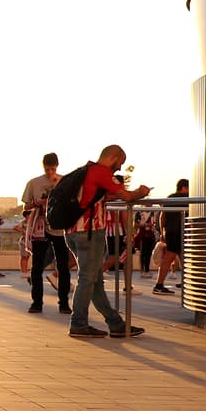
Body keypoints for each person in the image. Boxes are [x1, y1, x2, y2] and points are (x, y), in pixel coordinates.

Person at [64, 145, 151, 338]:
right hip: (90, 232)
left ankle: (115, 323)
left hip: (72, 231)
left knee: (95, 281)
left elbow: (96, 197)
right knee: (87, 279)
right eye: (120, 163)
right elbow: (127, 196)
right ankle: (78, 323)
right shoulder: (101, 172)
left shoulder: (85, 171)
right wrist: (141, 192)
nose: (119, 168)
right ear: (113, 157)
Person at [21, 153, 72, 314]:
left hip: (59, 228)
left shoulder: (64, 181)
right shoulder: (34, 183)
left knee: (63, 266)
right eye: (47, 169)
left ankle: (64, 303)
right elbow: (25, 207)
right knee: (37, 266)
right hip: (40, 228)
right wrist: (38, 202)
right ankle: (37, 302)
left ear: (57, 166)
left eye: (53, 169)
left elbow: (71, 203)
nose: (50, 172)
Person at [154, 179, 188, 294]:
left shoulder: (170, 198)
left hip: (170, 231)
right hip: (178, 232)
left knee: (182, 256)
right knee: (169, 257)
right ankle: (159, 285)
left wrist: (162, 231)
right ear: (183, 188)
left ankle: (186, 281)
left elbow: (162, 216)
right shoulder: (185, 198)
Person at [134, 213, 157, 277]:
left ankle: (147, 270)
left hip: (150, 236)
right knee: (143, 254)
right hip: (142, 235)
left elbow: (153, 223)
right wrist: (145, 225)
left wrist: (151, 225)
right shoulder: (139, 213)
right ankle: (142, 270)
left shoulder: (152, 213)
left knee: (149, 254)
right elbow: (135, 224)